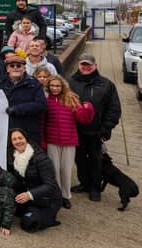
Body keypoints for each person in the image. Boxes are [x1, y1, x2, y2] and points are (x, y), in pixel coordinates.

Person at [69, 53, 121, 202]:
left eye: (89, 65)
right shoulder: (70, 82)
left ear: (95, 65)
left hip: (96, 132)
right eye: (83, 64)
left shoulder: (106, 84)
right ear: (79, 65)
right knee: (79, 159)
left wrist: (106, 128)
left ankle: (95, 188)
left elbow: (114, 109)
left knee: (95, 160)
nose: (85, 67)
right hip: (76, 131)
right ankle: (84, 183)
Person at [44, 75, 94, 209]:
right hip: (52, 140)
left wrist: (88, 109)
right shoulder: (46, 100)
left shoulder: (70, 99)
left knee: (65, 170)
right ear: (48, 87)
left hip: (69, 140)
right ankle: (57, 195)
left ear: (63, 86)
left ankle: (66, 196)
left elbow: (83, 119)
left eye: (57, 86)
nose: (55, 88)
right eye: (52, 86)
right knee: (54, 170)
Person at [7, 128, 62, 232]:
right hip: (29, 196)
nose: (18, 141)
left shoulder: (41, 158)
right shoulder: (14, 155)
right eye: (14, 139)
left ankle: (49, 217)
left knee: (29, 223)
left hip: (47, 199)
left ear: (26, 139)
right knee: (7, 208)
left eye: (20, 138)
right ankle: (30, 210)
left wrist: (29, 194)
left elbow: (50, 185)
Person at [0, 55, 47, 146]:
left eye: (18, 65)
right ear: (7, 69)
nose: (15, 68)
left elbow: (41, 105)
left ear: (24, 68)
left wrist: (17, 109)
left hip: (28, 129)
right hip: (5, 129)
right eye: (12, 65)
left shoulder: (34, 83)